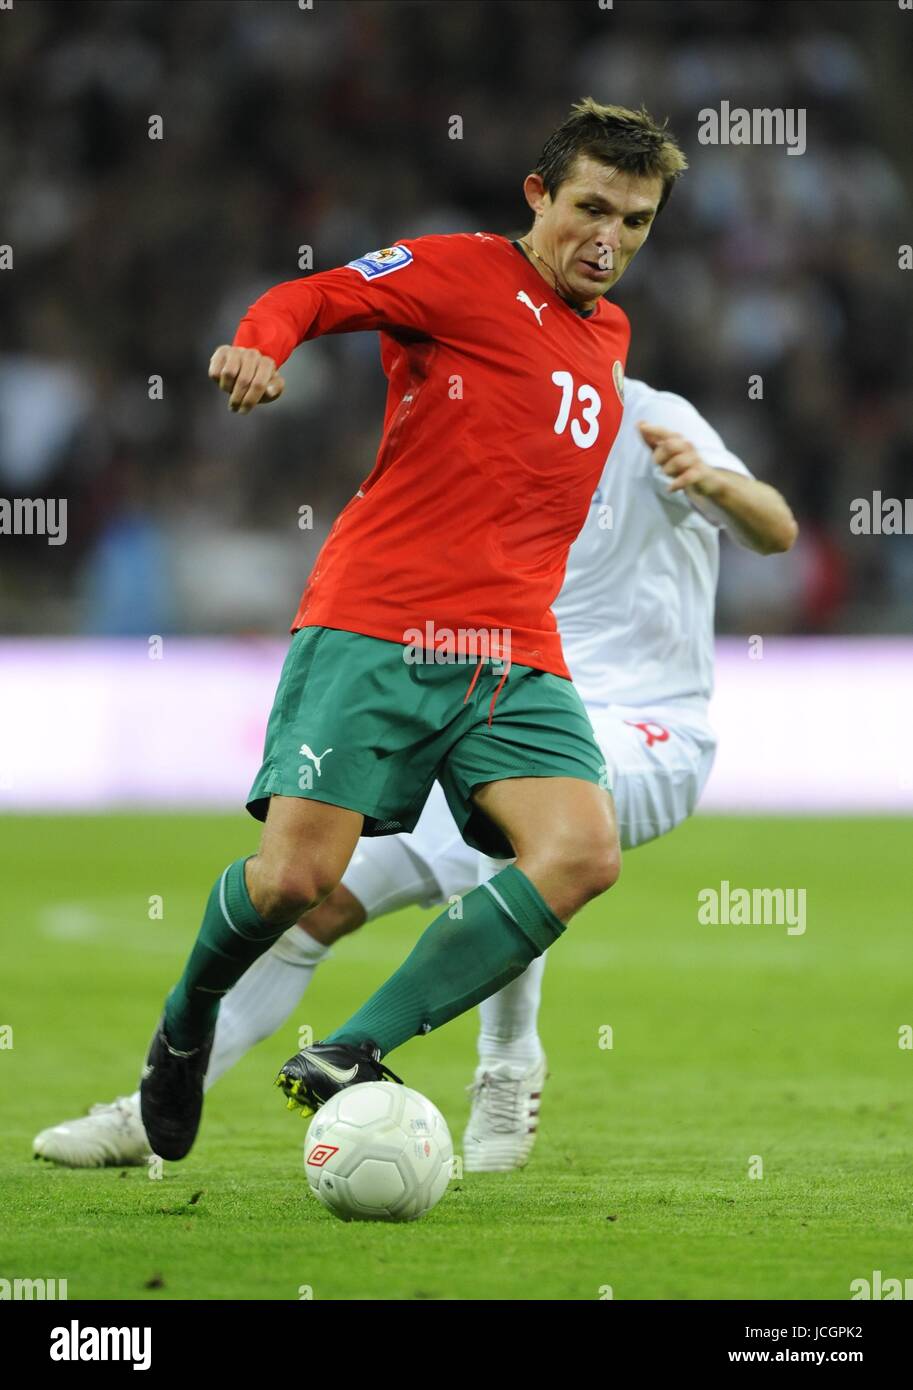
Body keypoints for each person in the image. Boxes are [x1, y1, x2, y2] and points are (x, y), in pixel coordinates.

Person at [36, 376, 797, 1169]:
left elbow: (774, 529)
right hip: (508, 705)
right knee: (310, 905)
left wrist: (714, 483)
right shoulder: (488, 429)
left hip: (647, 725)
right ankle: (145, 1120)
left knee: (525, 815)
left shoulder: (651, 418)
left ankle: (505, 1062)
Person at [136, 98, 689, 1161]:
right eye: (589, 209)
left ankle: (350, 1047)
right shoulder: (458, 271)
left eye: (636, 219)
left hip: (511, 651)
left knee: (579, 851)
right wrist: (259, 347)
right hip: (381, 622)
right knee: (293, 881)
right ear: (538, 194)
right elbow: (313, 293)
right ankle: (186, 1016)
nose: (609, 239)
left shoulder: (609, 333)